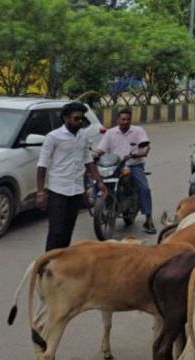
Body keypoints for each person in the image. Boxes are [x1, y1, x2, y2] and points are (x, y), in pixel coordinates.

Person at [37, 101, 108, 251]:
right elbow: (42, 164)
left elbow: (88, 161)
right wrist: (41, 192)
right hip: (58, 191)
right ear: (66, 118)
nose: (80, 121)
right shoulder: (53, 137)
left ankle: (61, 264)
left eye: (82, 118)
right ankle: (47, 264)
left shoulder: (83, 136)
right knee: (56, 231)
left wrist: (99, 182)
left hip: (76, 190)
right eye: (76, 118)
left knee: (68, 230)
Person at [95, 108, 156, 234]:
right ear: (118, 120)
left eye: (128, 119)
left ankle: (148, 219)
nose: (125, 122)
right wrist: (96, 154)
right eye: (123, 119)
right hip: (114, 165)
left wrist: (140, 153)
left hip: (133, 165)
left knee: (144, 188)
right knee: (97, 181)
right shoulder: (110, 133)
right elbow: (101, 149)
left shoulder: (138, 131)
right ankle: (100, 206)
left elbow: (145, 147)